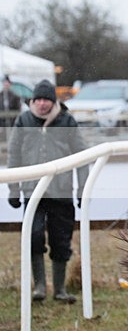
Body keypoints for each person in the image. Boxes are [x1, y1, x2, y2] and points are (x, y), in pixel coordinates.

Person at [7, 79, 89, 303]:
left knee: (61, 239)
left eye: (46, 99)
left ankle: (60, 289)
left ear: (53, 101)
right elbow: (14, 155)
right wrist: (13, 189)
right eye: (38, 99)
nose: (42, 104)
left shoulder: (67, 121)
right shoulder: (23, 120)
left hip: (61, 191)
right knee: (33, 236)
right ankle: (40, 287)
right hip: (32, 191)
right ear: (32, 101)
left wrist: (83, 189)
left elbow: (82, 156)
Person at [1, 75, 22, 141]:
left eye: (7, 83)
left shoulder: (15, 96)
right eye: (5, 83)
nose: (6, 84)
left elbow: (18, 110)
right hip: (2, 124)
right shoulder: (0, 95)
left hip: (12, 123)